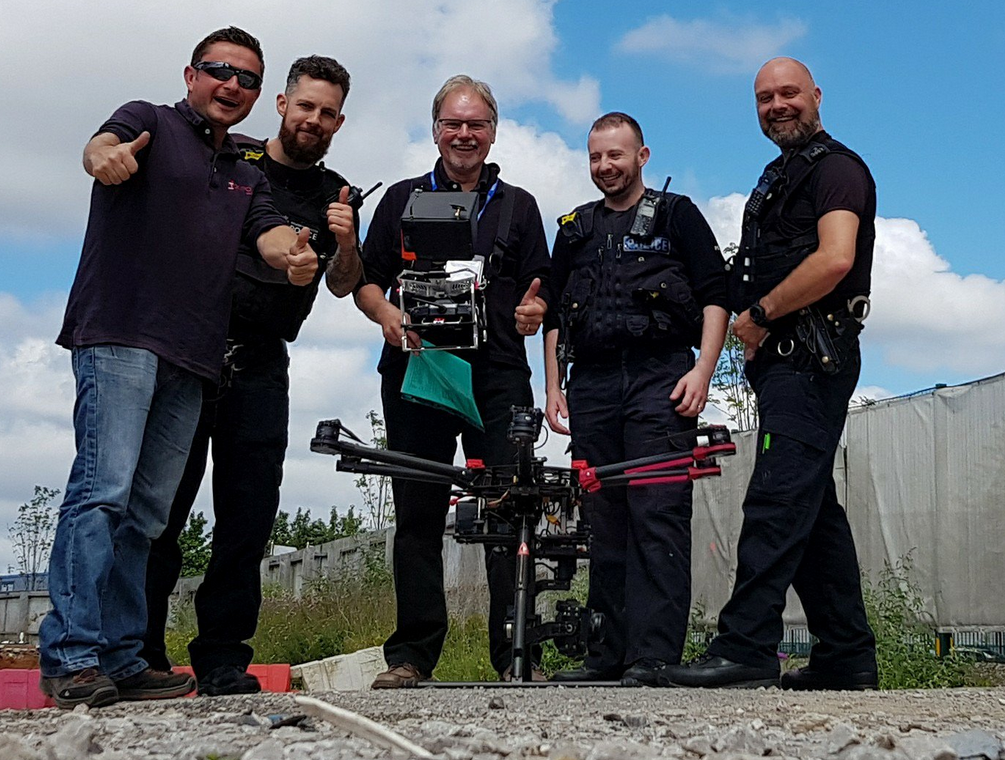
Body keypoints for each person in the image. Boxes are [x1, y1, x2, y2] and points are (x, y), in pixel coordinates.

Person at [39, 26, 318, 709]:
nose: (232, 84)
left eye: (247, 78)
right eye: (220, 69)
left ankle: (123, 657)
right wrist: (103, 157)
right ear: (191, 75)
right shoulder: (149, 122)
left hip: (193, 359)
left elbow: (270, 232)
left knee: (147, 516)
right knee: (102, 493)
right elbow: (101, 146)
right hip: (121, 336)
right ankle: (70, 656)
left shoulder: (245, 174)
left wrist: (294, 253)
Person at [140, 55, 362, 697]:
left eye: (327, 113)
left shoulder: (338, 193)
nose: (313, 120)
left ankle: (222, 658)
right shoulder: (230, 157)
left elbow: (345, 285)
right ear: (282, 105)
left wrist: (347, 243)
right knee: (162, 511)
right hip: (191, 355)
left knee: (247, 519)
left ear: (338, 122)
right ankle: (142, 652)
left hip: (264, 364)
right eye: (305, 106)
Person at [660, 57, 878, 690]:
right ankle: (847, 657)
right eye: (764, 98)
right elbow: (745, 273)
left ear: (817, 95)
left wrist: (757, 315)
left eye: (788, 93)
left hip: (813, 358)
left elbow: (835, 260)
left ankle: (746, 647)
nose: (777, 106)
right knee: (811, 510)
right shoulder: (779, 176)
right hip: (785, 364)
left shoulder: (837, 170)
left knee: (776, 501)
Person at [355, 75, 551, 687]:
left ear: (493, 132)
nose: (464, 135)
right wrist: (386, 315)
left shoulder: (519, 205)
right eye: (453, 123)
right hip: (419, 370)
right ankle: (411, 657)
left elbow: (542, 288)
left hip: (498, 375)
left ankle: (516, 656)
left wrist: (533, 310)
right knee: (417, 513)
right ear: (435, 129)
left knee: (509, 511)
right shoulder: (401, 199)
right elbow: (366, 281)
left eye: (476, 124)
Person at [542, 113, 729, 685]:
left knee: (658, 514)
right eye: (596, 157)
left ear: (642, 156)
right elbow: (552, 311)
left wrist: (702, 370)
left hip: (660, 377)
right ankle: (605, 657)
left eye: (615, 155)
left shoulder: (678, 215)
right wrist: (553, 386)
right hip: (592, 383)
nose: (605, 167)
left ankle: (654, 657)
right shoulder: (574, 229)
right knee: (603, 519)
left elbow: (716, 294)